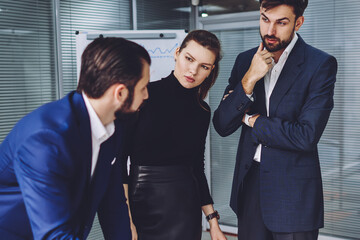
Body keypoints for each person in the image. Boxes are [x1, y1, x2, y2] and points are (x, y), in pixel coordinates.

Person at [0, 37, 150, 240]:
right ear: (121, 93)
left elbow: (112, 204)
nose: (147, 95)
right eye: (143, 88)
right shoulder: (47, 139)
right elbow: (53, 235)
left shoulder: (112, 126)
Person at [212, 0, 337, 239]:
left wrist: (251, 120)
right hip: (249, 188)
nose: (270, 31)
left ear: (298, 23)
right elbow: (222, 125)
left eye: (281, 22)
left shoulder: (320, 64)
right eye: (265, 19)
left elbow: (305, 136)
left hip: (294, 195)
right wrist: (249, 79)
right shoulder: (244, 61)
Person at [123, 30, 227, 240]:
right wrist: (127, 221)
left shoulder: (202, 112)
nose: (193, 70)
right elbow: (118, 163)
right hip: (142, 203)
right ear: (177, 53)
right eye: (189, 59)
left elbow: (197, 168)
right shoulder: (143, 95)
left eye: (203, 66)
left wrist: (213, 222)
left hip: (185, 207)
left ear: (210, 70)